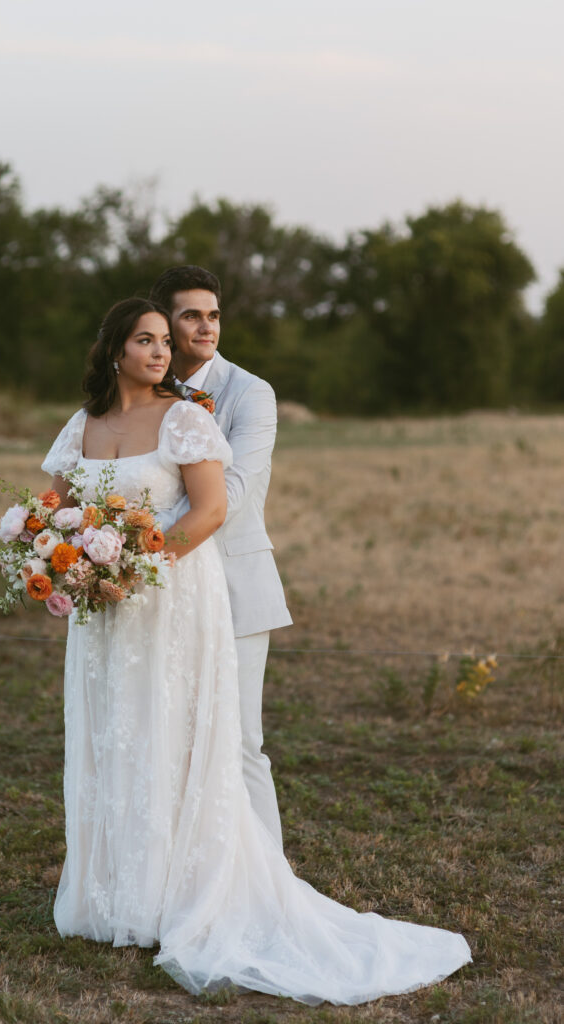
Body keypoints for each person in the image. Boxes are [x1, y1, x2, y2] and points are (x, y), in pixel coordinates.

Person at [42, 296, 471, 1005]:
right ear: (113, 350)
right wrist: (54, 554)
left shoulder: (185, 417)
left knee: (176, 734)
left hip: (170, 597)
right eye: (144, 341)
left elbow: (212, 509)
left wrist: (135, 568)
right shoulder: (81, 424)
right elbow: (53, 502)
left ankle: (180, 892)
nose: (159, 352)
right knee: (114, 734)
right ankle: (115, 894)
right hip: (103, 615)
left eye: (162, 341)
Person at [149, 266, 291, 849]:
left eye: (213, 315)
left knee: (239, 738)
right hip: (161, 593)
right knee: (171, 738)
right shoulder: (141, 393)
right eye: (190, 315)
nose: (206, 327)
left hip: (233, 583)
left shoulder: (250, 393)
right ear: (163, 325)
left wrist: (140, 549)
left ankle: (269, 883)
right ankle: (188, 868)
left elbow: (228, 497)